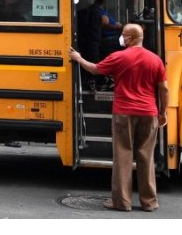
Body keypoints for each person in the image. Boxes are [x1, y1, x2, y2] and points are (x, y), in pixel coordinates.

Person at [70, 24, 168, 212]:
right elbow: (164, 88)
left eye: (123, 35)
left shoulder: (119, 57)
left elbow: (94, 69)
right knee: (146, 156)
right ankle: (149, 202)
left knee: (123, 155)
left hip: (124, 113)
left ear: (130, 38)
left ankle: (122, 202)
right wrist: (163, 112)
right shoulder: (156, 60)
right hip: (149, 113)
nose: (121, 37)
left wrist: (78, 58)